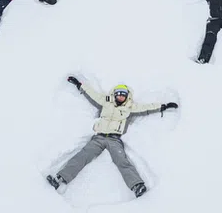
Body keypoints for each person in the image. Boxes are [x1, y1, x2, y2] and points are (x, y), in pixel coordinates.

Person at [47, 77, 178, 198]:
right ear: (115, 94)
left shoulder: (130, 108)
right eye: (118, 94)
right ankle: (60, 178)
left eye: (123, 95)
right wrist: (79, 84)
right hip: (98, 138)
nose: (120, 97)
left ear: (127, 96)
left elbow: (146, 108)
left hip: (114, 140)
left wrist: (163, 106)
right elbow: (92, 95)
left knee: (121, 160)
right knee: (83, 156)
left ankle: (137, 185)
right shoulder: (106, 102)